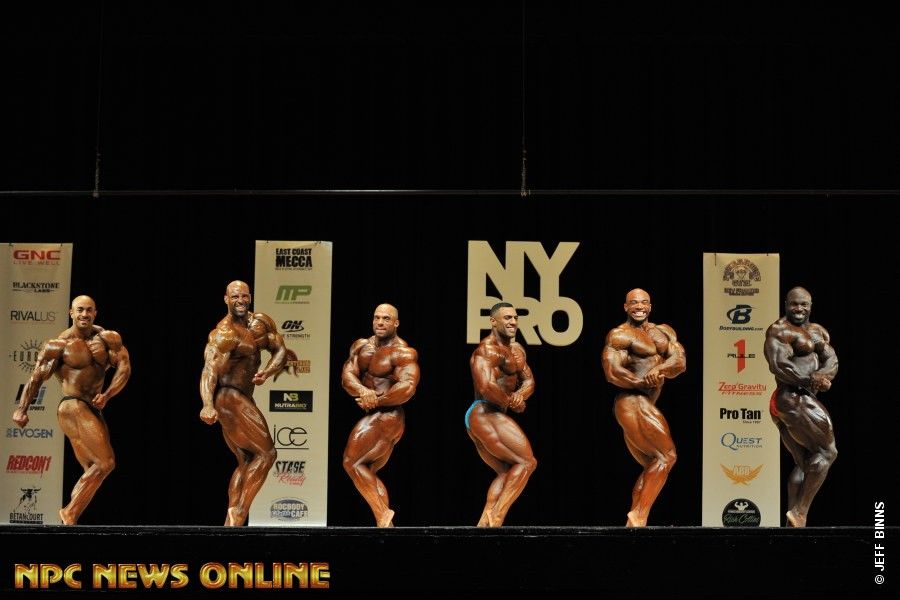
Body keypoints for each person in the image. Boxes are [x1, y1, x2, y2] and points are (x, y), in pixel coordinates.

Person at [12, 294, 132, 525]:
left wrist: (107, 394)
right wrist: (22, 409)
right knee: (105, 462)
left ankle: (70, 520)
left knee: (94, 468)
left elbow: (124, 369)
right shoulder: (59, 345)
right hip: (72, 405)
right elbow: (37, 377)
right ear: (71, 313)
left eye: (88, 310)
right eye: (79, 310)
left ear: (95, 313)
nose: (84, 314)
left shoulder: (108, 339)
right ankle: (69, 512)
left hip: (93, 408)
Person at [199, 280, 299, 526]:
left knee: (246, 459)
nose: (240, 301)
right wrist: (207, 404)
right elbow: (209, 370)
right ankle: (241, 511)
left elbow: (280, 350)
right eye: (235, 297)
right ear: (226, 299)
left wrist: (267, 371)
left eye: (244, 296)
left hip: (243, 396)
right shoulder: (224, 334)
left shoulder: (260, 322)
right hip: (228, 397)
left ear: (250, 297)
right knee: (267, 454)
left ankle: (230, 521)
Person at [602, 288, 685, 527]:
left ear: (650, 306)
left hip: (646, 403)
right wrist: (641, 382)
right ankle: (639, 515)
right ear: (626, 307)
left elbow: (680, 362)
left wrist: (659, 369)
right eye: (634, 303)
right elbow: (612, 372)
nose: (639, 306)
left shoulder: (664, 331)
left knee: (653, 465)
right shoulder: (619, 335)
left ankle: (634, 522)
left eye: (644, 302)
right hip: (631, 401)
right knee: (667, 456)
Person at [763, 286, 838, 528]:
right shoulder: (779, 330)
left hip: (799, 399)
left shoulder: (817, 331)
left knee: (805, 464)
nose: (799, 308)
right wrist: (810, 380)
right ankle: (800, 512)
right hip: (791, 397)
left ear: (810, 306)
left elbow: (832, 359)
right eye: (794, 304)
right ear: (786, 304)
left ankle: (792, 529)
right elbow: (779, 365)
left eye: (804, 304)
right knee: (827, 453)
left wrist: (823, 376)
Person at [341, 303, 420, 527]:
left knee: (351, 462)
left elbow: (408, 387)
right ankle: (385, 526)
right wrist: (363, 391)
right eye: (377, 318)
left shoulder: (403, 352)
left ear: (396, 323)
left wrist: (378, 400)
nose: (380, 322)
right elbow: (347, 376)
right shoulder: (361, 346)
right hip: (373, 414)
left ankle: (383, 513)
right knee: (366, 470)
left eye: (386, 319)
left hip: (389, 415)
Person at [466, 301, 537, 527]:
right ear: (493, 321)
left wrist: (519, 396)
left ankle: (484, 523)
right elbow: (486, 386)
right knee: (527, 462)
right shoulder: (486, 350)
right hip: (484, 411)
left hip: (493, 413)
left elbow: (529, 381)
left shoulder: (516, 351)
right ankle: (497, 516)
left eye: (515, 318)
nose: (513, 322)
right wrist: (511, 402)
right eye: (507, 318)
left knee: (506, 472)